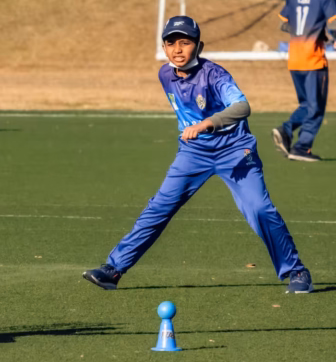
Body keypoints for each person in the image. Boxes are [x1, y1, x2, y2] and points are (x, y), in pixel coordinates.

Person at [83, 16, 313, 294]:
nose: (177, 49)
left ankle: (296, 270)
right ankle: (113, 269)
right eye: (171, 43)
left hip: (235, 152)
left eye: (185, 42)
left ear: (199, 46)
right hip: (194, 153)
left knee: (259, 209)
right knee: (158, 208)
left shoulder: (215, 75)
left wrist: (206, 124)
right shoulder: (165, 74)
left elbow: (242, 107)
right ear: (164, 47)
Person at [273, 0, 336, 162]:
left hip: (295, 58)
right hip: (313, 60)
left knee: (306, 105)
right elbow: (334, 24)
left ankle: (286, 132)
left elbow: (284, 23)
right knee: (316, 108)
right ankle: (301, 146)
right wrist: (327, 38)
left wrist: (304, 32)